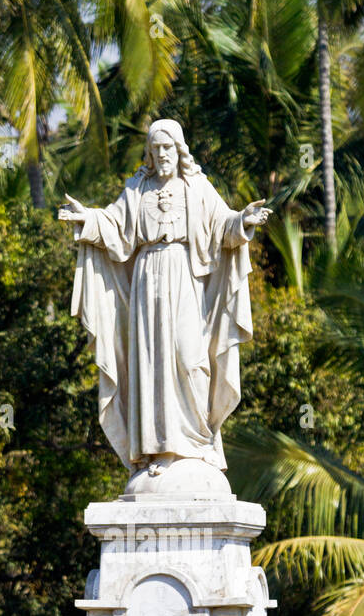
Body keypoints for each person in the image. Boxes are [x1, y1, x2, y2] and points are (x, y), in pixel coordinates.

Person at [58, 119, 271, 475]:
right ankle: (157, 450)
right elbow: (112, 224)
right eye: (155, 150)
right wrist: (87, 218)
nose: (161, 155)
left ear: (180, 150)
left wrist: (244, 220)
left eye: (167, 148)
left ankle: (197, 443)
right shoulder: (137, 189)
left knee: (190, 359)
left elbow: (223, 227)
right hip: (145, 279)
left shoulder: (197, 187)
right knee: (151, 362)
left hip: (183, 277)